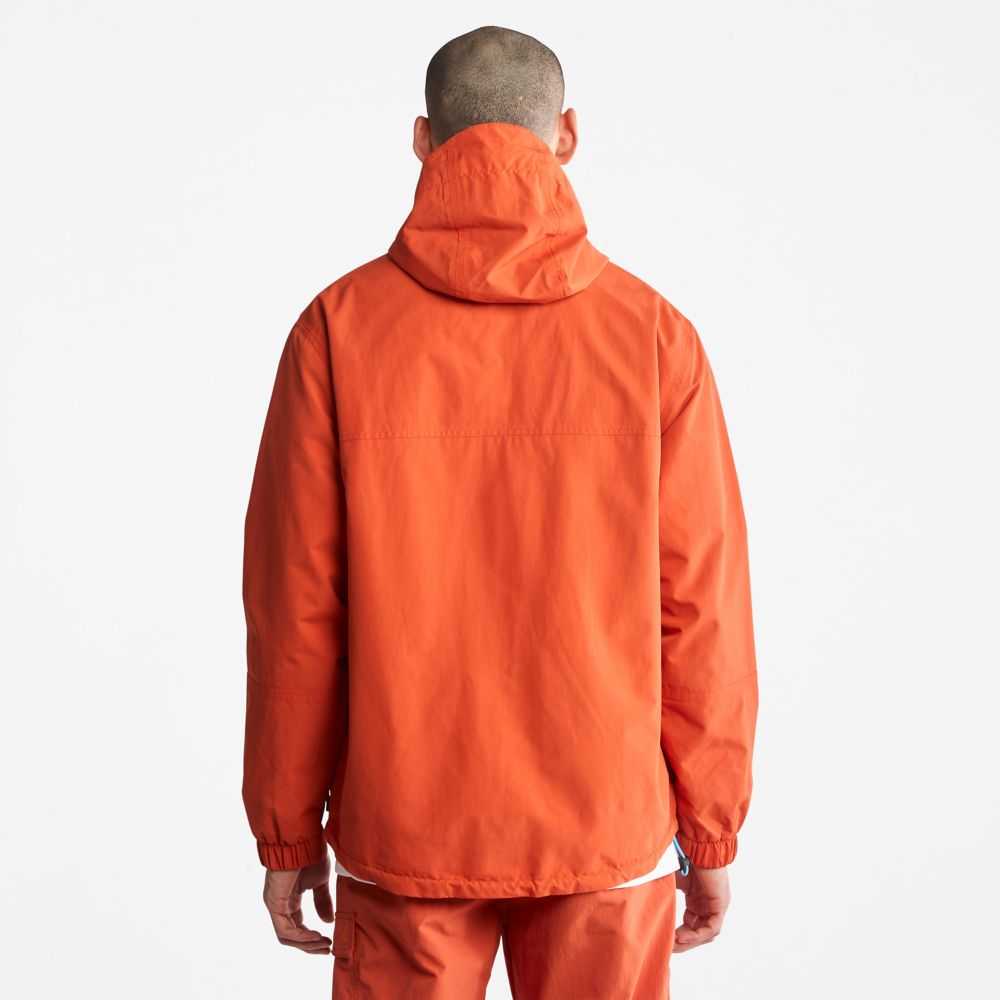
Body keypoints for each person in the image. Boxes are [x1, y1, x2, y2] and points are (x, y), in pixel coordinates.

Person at [242, 24, 758, 999]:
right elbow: (702, 608)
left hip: (406, 820)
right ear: (566, 135)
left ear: (422, 139)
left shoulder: (337, 331)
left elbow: (294, 612)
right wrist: (710, 825)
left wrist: (287, 828)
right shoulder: (653, 336)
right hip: (602, 821)